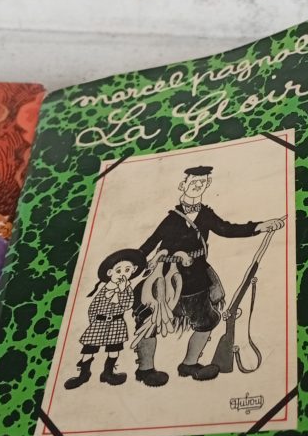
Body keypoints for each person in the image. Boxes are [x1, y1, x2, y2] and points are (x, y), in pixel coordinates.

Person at [132, 165, 284, 386]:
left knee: (205, 321)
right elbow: (150, 243)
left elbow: (227, 229)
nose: (198, 186)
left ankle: (190, 364)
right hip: (164, 278)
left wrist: (260, 226)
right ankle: (146, 369)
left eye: (202, 183)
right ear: (183, 185)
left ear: (207, 185)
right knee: (149, 320)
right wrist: (130, 264)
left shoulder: (206, 215)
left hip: (196, 278)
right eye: (194, 183)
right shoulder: (172, 219)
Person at [64, 248, 147, 390]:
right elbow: (93, 307)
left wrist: (122, 290)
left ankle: (108, 373)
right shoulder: (105, 288)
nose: (123, 274)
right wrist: (93, 322)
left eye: (127, 270)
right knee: (89, 349)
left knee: (114, 349)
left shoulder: (127, 289)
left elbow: (127, 305)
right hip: (99, 323)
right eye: (119, 271)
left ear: (133, 270)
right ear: (110, 273)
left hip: (116, 323)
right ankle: (84, 374)